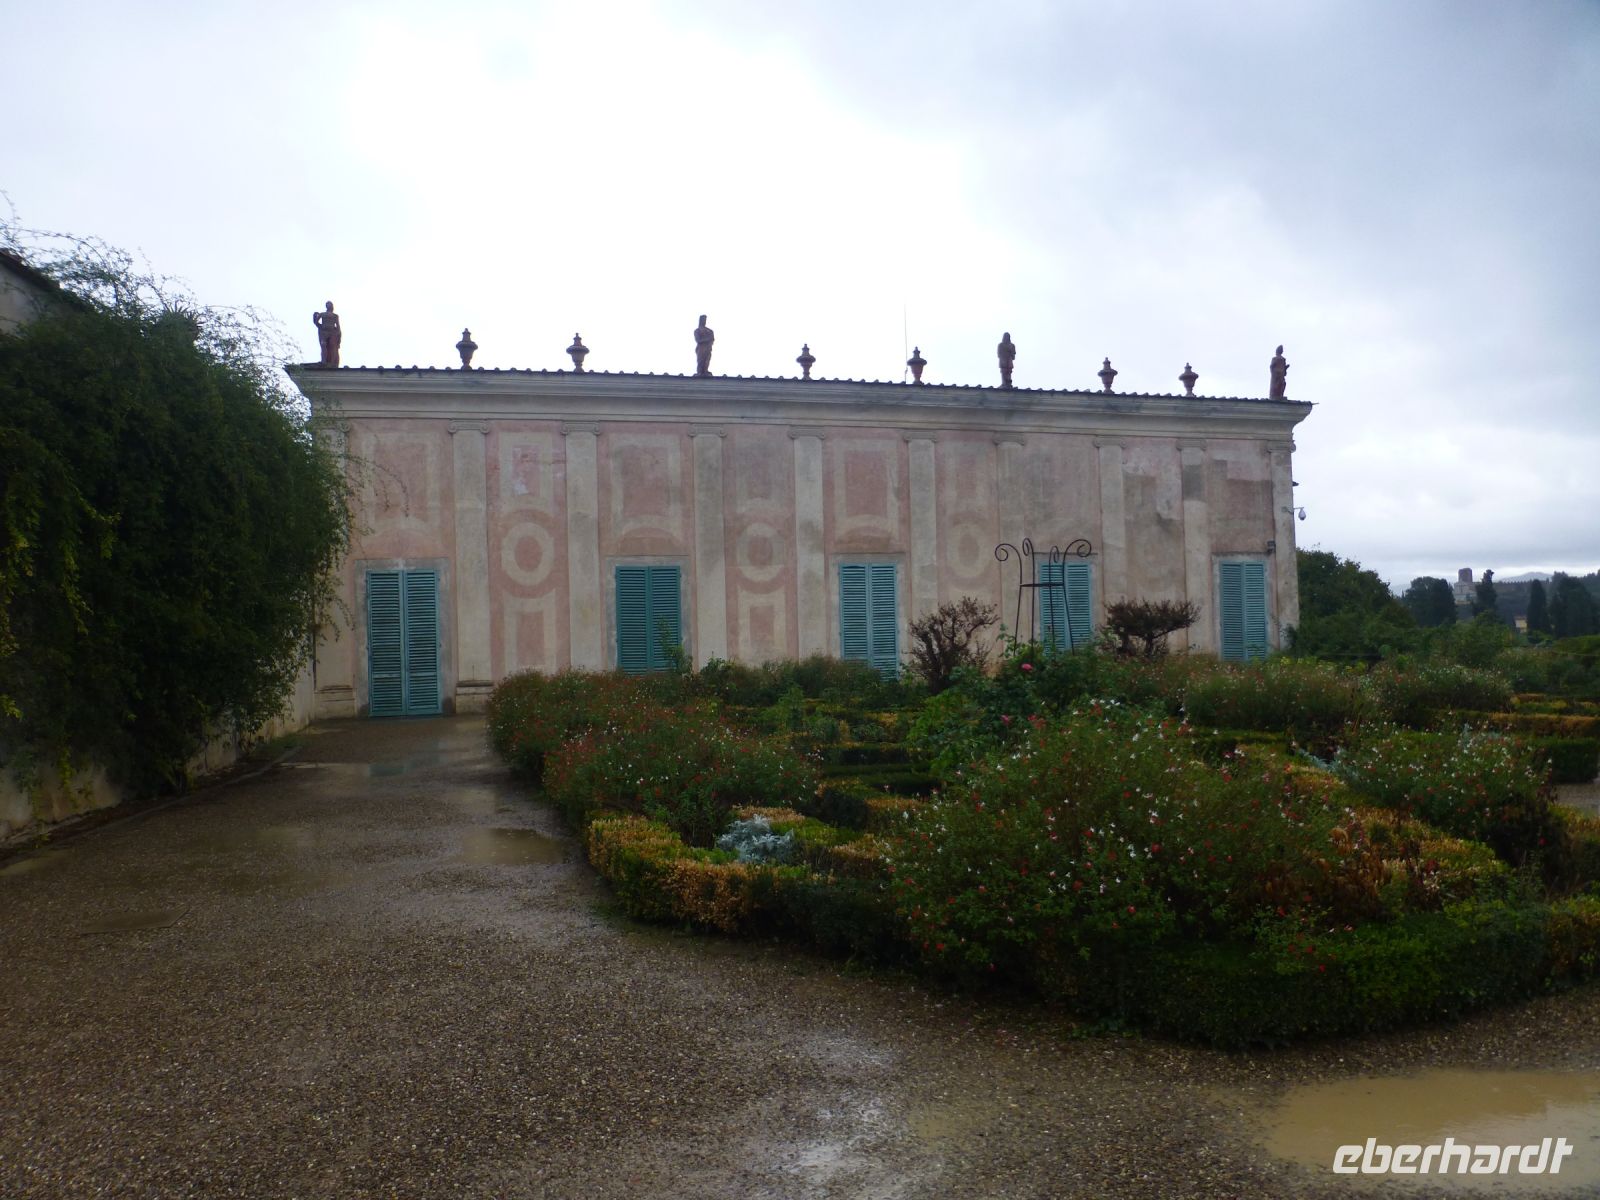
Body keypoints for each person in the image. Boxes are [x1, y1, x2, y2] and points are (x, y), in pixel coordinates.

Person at [313, 302, 341, 367]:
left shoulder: (335, 316)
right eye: (329, 305)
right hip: (324, 332)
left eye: (331, 305)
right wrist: (320, 326)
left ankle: (332, 362)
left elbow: (338, 326)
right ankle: (324, 361)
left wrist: (339, 336)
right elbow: (316, 322)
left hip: (332, 332)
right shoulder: (322, 314)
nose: (331, 306)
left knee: (332, 346)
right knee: (323, 345)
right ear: (327, 306)